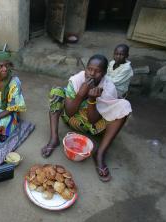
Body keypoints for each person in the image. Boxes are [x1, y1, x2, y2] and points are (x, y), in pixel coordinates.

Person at [41, 54, 132, 182]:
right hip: (72, 120)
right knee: (56, 91)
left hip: (93, 127)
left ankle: (99, 154)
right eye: (89, 69)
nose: (92, 74)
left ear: (104, 73)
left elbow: (93, 120)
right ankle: (54, 138)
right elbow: (69, 112)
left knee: (124, 106)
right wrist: (80, 94)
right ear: (86, 68)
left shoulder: (108, 88)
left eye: (98, 71)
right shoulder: (76, 80)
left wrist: (92, 99)